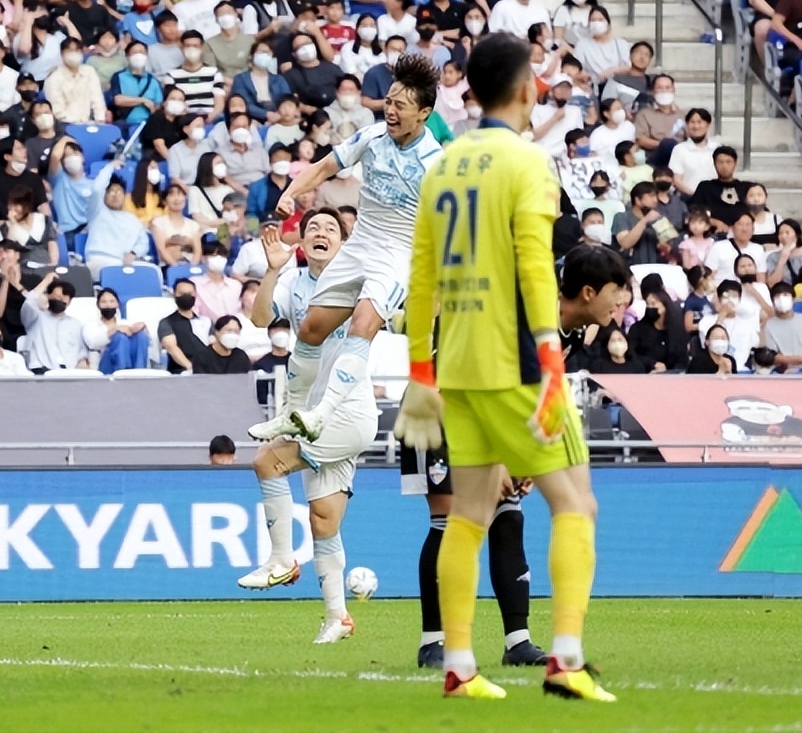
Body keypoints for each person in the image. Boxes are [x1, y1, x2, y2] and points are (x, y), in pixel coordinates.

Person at [392, 34, 613, 701]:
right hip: (515, 362)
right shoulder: (528, 163)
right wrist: (551, 360)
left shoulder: (443, 163)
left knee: (467, 516)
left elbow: (422, 272)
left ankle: (459, 666)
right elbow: (532, 267)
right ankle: (566, 663)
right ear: (528, 90)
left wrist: (421, 371)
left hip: (455, 367)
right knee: (576, 506)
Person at [248, 55, 443, 447]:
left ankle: (322, 413)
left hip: (396, 258)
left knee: (363, 326)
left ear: (423, 113)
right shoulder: (371, 137)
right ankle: (292, 413)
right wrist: (290, 193)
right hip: (358, 248)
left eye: (399, 105)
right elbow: (322, 168)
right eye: (388, 101)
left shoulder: (435, 164)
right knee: (310, 329)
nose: (390, 110)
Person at [239, 208, 379, 646]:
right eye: (313, 227)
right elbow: (260, 320)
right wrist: (272, 271)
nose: (321, 232)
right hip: (310, 413)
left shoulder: (358, 282)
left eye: (331, 229)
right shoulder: (296, 284)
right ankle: (338, 617)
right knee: (323, 522)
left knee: (266, 461)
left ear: (343, 242)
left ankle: (281, 559)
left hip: (348, 412)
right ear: (301, 240)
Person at [21, 273, 86, 372]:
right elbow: (29, 302)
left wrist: (83, 361)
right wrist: (46, 281)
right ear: (48, 297)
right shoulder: (36, 317)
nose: (59, 300)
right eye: (56, 297)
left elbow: (81, 349)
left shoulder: (75, 324)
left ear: (69, 302)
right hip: (41, 368)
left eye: (63, 298)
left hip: (68, 370)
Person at [762, 281, 802, 371]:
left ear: (793, 298)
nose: (782, 299)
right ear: (772, 302)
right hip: (785, 372)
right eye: (777, 296)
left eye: (786, 295)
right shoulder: (769, 325)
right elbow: (774, 356)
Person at [90, 288, 150, 374]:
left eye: (112, 301)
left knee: (140, 335)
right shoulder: (91, 324)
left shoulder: (126, 323)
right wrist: (114, 329)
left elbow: (150, 343)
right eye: (104, 302)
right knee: (119, 337)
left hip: (132, 364)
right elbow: (92, 343)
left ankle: (140, 372)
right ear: (98, 305)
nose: (108, 305)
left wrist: (143, 328)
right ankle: (122, 372)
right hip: (106, 365)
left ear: (117, 304)